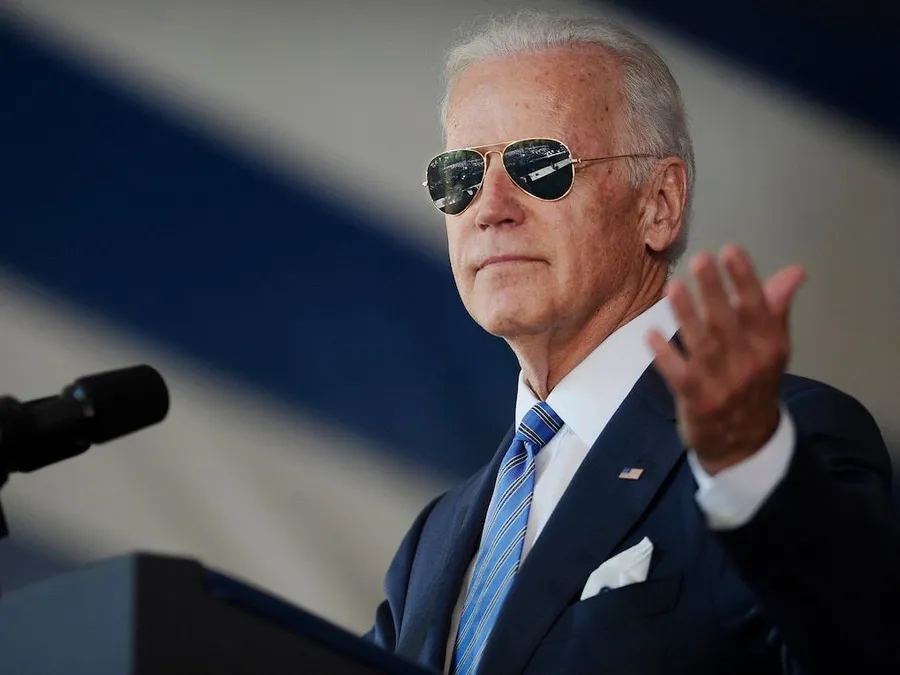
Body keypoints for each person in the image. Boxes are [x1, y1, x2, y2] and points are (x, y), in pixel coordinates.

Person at [366, 10, 899, 675]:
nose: (490, 206)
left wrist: (750, 466)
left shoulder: (781, 444)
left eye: (540, 165)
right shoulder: (434, 539)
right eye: (461, 176)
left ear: (659, 204)